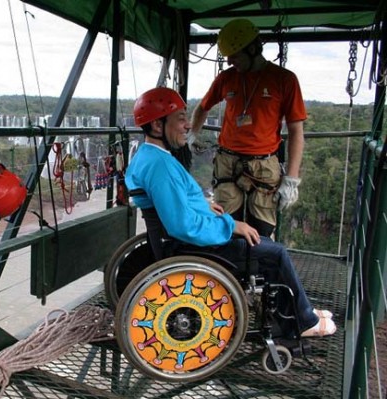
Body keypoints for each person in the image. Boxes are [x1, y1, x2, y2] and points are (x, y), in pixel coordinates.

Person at [126, 86, 335, 338]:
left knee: (263, 244)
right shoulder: (161, 167)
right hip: (188, 247)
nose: (187, 125)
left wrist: (204, 205)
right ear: (158, 127)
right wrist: (231, 225)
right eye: (180, 119)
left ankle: (301, 310)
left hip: (174, 241)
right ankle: (303, 323)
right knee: (274, 253)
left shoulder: (148, 156)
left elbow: (173, 200)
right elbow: (182, 226)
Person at [190, 18, 306, 238]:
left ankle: (257, 270)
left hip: (263, 164)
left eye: (235, 56)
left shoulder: (284, 80)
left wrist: (291, 179)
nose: (231, 61)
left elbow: (296, 132)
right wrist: (191, 134)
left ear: (252, 48)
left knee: (262, 229)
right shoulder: (227, 78)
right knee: (225, 224)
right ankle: (226, 271)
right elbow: (203, 107)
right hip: (228, 162)